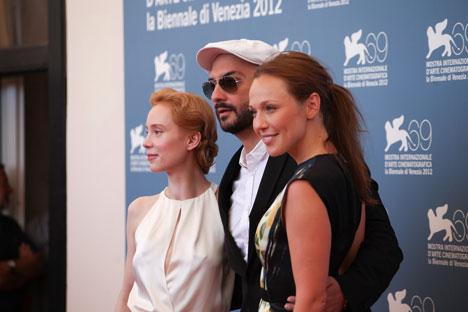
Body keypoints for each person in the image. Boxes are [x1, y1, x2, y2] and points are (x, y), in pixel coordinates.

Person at [196, 39, 403, 312]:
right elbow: (249, 277)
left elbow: (383, 246)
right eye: (211, 85)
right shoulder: (232, 173)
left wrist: (344, 292)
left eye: (229, 83)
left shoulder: (319, 167)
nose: (217, 96)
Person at [249, 51, 371, 311]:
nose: (258, 124)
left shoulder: (306, 185)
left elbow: (313, 300)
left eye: (270, 108)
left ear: (311, 105)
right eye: (254, 112)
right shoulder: (347, 167)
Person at [115, 88, 234, 312]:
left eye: (157, 132)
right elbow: (125, 297)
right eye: (147, 131)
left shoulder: (227, 208)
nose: (145, 142)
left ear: (192, 139)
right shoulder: (139, 210)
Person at [0, 163, 44, 312]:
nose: (10, 190)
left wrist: (10, 268)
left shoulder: (10, 225)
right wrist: (19, 267)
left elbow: (37, 263)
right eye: (4, 185)